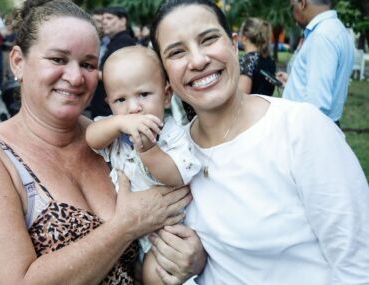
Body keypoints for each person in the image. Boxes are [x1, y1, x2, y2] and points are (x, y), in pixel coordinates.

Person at [0, 1, 206, 285]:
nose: (76, 77)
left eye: (88, 64)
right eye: (58, 59)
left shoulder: (111, 139)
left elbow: (128, 267)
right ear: (18, 61)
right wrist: (126, 225)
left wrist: (185, 261)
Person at [150, 0, 369, 284]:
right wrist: (191, 263)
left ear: (233, 44)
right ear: (165, 72)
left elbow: (359, 264)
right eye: (177, 52)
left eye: (209, 39)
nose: (198, 60)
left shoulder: (300, 128)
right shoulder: (171, 155)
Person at [86, 46, 202, 284]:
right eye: (121, 100)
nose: (133, 108)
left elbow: (177, 175)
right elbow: (91, 137)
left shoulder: (172, 135)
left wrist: (150, 151)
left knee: (155, 275)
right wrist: (118, 123)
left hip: (170, 231)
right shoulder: (115, 133)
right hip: (134, 234)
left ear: (167, 95)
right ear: (110, 105)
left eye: (144, 95)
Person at [276, 0, 354, 125]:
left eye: (292, 7)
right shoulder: (337, 29)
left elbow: (317, 103)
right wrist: (293, 82)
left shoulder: (322, 36)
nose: (293, 13)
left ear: (302, 3)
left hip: (308, 129)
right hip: (325, 126)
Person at [90, 6, 137, 119]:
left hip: (111, 110)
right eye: (103, 20)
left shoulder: (124, 42)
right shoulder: (115, 41)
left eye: (109, 18)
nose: (104, 22)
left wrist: (91, 72)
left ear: (123, 20)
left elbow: (121, 76)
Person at [238, 17, 276, 96]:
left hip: (250, 107)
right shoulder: (270, 60)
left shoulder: (248, 60)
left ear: (244, 38)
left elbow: (242, 95)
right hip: (266, 106)